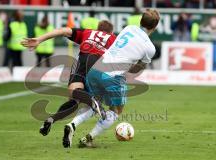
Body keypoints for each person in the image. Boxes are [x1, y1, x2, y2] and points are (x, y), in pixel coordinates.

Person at [66, 8, 160, 148]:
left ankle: (72, 124)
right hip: (113, 75)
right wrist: (129, 68)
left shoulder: (129, 28)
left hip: (96, 69)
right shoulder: (150, 48)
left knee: (94, 104)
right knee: (116, 110)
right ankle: (88, 138)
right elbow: (138, 68)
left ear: (141, 20)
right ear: (155, 26)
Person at [21, 20, 116, 147]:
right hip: (97, 63)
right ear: (111, 32)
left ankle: (51, 120)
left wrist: (40, 39)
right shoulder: (113, 39)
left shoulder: (87, 32)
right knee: (91, 99)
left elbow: (63, 31)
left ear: (97, 29)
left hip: (81, 60)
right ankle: (92, 101)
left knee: (73, 98)